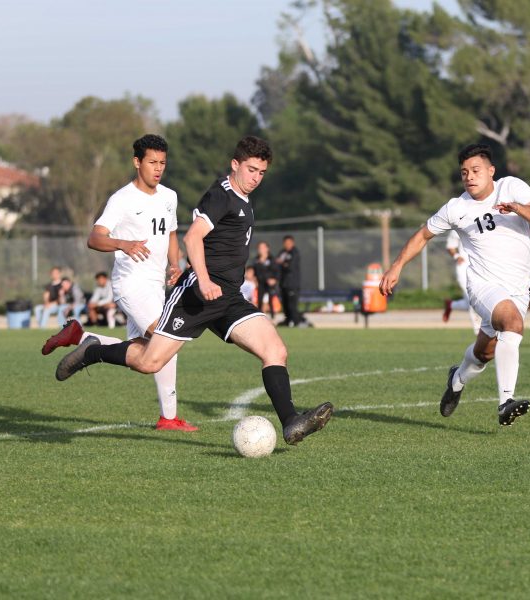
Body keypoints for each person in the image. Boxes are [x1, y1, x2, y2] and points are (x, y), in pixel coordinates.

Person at [53, 136, 333, 445]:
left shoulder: (242, 199)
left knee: (275, 350)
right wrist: (202, 279)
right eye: (251, 170)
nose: (256, 178)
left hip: (228, 298)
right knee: (150, 362)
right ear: (235, 164)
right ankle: (93, 351)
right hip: (197, 296)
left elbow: (178, 237)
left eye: (261, 172)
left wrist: (183, 268)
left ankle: (291, 422)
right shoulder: (221, 195)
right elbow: (193, 237)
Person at [379, 143, 530, 426]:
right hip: (483, 286)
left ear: (491, 171)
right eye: (464, 173)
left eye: (475, 170)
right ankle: (505, 401)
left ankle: (457, 379)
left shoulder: (512, 187)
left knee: (484, 353)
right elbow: (423, 235)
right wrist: (397, 265)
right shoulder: (456, 208)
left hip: (517, 289)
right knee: (512, 323)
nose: (470, 177)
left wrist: (517, 208)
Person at [41, 134, 196, 432]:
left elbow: (172, 235)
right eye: (152, 162)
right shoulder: (122, 199)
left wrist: (174, 265)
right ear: (137, 162)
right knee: (166, 339)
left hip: (154, 285)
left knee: (146, 353)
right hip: (131, 283)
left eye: (162, 162)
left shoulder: (169, 196)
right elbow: (94, 237)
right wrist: (123, 243)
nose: (158, 168)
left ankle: (83, 338)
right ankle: (168, 418)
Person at [442, 230, 481, 334]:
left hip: (482, 266)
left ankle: (451, 305)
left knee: (477, 300)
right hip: (464, 267)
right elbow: (451, 246)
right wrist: (456, 256)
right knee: (473, 299)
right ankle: (479, 332)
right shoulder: (458, 225)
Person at [276, 235, 308, 327]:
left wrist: (282, 263)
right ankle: (287, 321)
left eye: (289, 243)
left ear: (293, 243)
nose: (287, 245)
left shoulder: (295, 253)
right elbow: (277, 263)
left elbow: (290, 266)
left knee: (292, 304)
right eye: (285, 243)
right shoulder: (282, 252)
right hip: (283, 283)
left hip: (292, 284)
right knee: (285, 304)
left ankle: (295, 321)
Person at [252, 241, 280, 317]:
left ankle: (273, 317)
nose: (261, 249)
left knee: (271, 300)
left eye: (263, 247)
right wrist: (254, 279)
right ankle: (260, 316)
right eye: (260, 248)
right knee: (260, 300)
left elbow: (276, 271)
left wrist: (274, 280)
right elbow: (254, 272)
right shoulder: (256, 260)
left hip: (270, 284)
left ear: (267, 248)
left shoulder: (272, 259)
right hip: (261, 283)